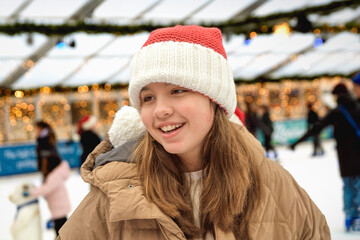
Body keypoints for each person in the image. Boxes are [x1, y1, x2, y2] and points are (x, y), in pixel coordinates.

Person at [58, 25, 330, 239]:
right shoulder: (115, 194)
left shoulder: (272, 183)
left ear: (215, 100)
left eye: (177, 91)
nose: (160, 110)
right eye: (148, 98)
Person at [290, 83, 360, 231]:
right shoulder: (357, 107)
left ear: (336, 96)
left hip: (346, 158)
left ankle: (350, 218)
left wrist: (296, 142)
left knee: (348, 187)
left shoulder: (337, 112)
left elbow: (317, 127)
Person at [33, 121, 71, 237]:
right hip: (56, 199)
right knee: (61, 224)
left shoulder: (45, 141)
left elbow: (48, 187)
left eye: (36, 129)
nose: (35, 132)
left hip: (58, 204)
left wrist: (32, 192)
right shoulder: (46, 139)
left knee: (61, 226)